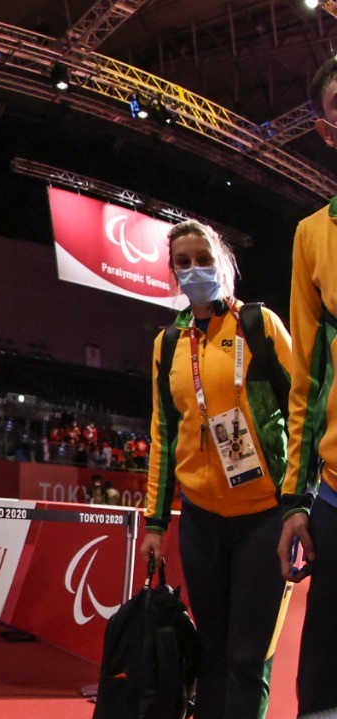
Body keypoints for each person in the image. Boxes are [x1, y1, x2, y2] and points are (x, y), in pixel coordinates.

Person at [139, 219, 292, 719]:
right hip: (201, 520)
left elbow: (304, 407)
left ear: (222, 263)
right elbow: (164, 435)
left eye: (203, 259)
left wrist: (300, 501)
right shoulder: (167, 345)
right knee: (211, 651)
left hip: (264, 517)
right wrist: (156, 523)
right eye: (182, 263)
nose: (194, 270)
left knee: (248, 657)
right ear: (172, 273)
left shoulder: (259, 325)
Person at [278, 54, 337, 717]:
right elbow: (306, 380)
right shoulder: (311, 238)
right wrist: (297, 499)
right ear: (326, 129)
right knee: (324, 686)